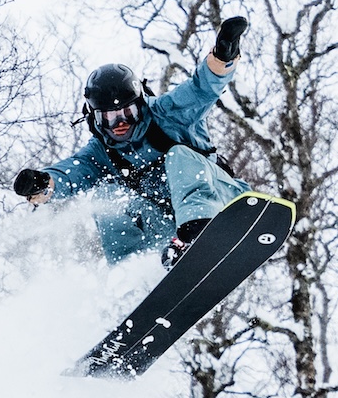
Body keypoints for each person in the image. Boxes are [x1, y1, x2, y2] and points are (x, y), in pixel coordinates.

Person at [13, 16, 249, 265]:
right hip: (171, 233)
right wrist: (43, 183)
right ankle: (132, 275)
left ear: (140, 105)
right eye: (108, 118)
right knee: (107, 196)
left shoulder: (170, 113)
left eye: (127, 113)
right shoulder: (102, 151)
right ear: (95, 118)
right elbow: (70, 173)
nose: (119, 124)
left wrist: (223, 55)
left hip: (222, 202)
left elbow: (201, 88)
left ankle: (197, 233)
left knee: (178, 156)